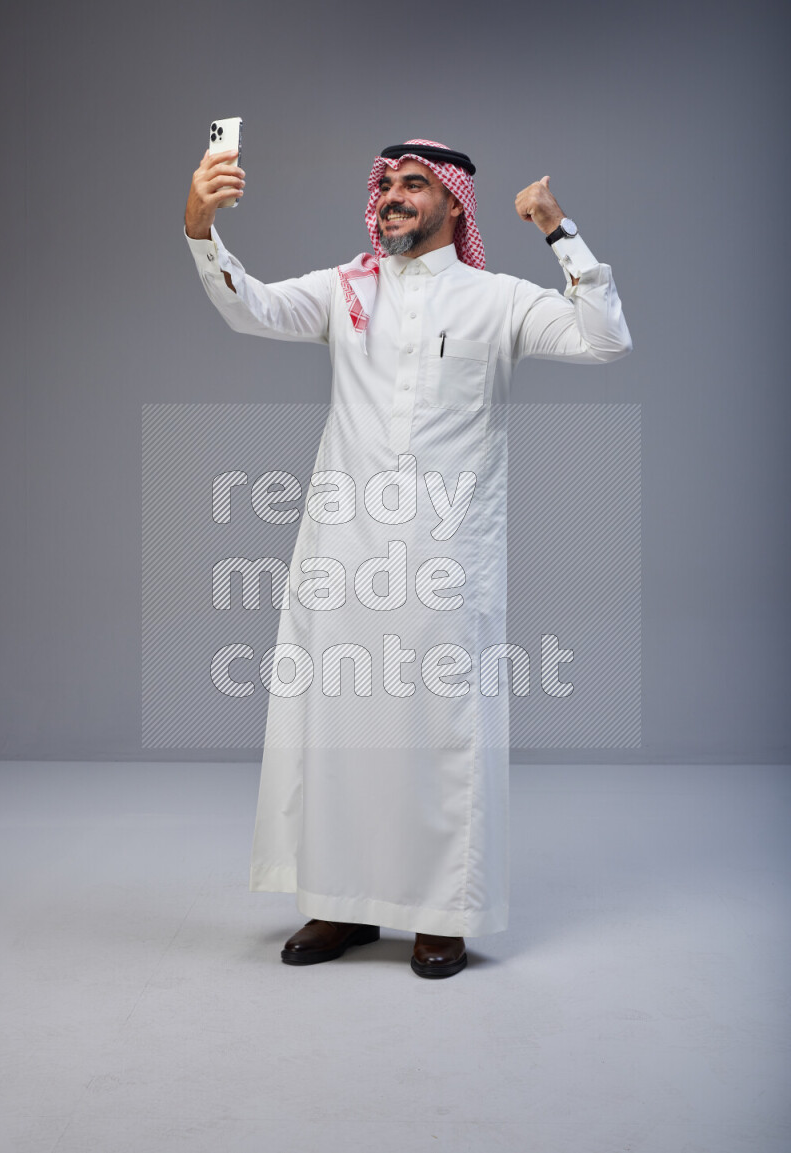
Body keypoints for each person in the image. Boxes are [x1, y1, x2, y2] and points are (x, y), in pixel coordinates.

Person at [184, 138, 632, 979]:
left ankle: (440, 914)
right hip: (344, 553)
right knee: (339, 730)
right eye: (386, 183)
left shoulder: (497, 299)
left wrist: (558, 230)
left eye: (414, 184)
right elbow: (254, 308)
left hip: (446, 559)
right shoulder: (347, 289)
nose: (393, 195)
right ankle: (340, 903)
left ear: (455, 203)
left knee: (439, 734)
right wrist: (201, 230)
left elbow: (604, 338)